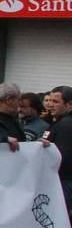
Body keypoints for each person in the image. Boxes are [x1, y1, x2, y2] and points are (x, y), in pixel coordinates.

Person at [44, 86, 72, 217]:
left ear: (69, 105)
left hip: (63, 183)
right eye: (49, 101)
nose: (50, 105)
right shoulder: (59, 123)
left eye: (56, 102)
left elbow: (61, 157)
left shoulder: (65, 126)